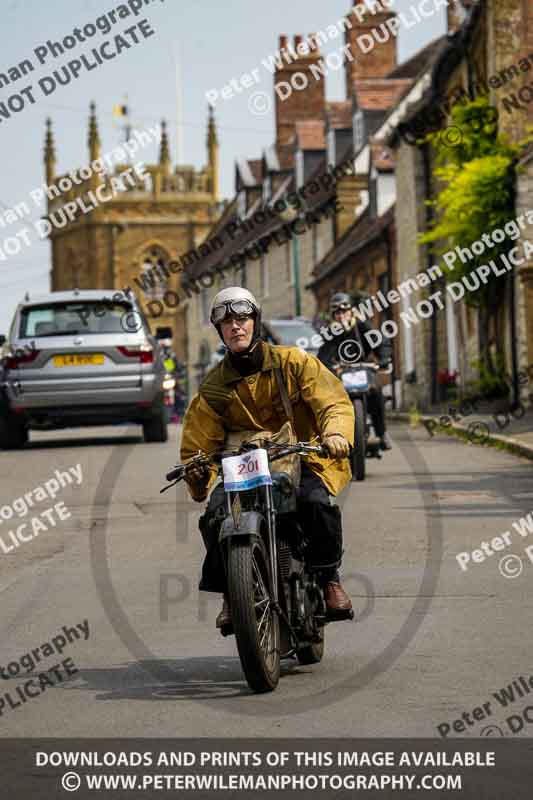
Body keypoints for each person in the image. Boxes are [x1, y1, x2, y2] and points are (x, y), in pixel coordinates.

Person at [180, 287, 355, 628]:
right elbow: (198, 439)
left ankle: (329, 578)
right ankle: (235, 593)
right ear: (219, 330)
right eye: (227, 321)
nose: (236, 327)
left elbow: (331, 400)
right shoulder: (214, 385)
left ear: (255, 322)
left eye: (242, 318)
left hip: (298, 456)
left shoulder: (293, 361)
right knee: (216, 514)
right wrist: (196, 468)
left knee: (316, 502)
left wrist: (335, 433)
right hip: (243, 465)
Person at [317, 291, 392, 451]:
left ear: (351, 311)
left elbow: (380, 343)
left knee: (377, 394)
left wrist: (384, 358)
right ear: (333, 315)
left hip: (365, 369)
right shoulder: (330, 333)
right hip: (341, 373)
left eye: (344, 311)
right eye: (337, 312)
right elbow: (324, 355)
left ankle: (381, 433)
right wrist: (327, 368)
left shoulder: (362, 325)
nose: (341, 315)